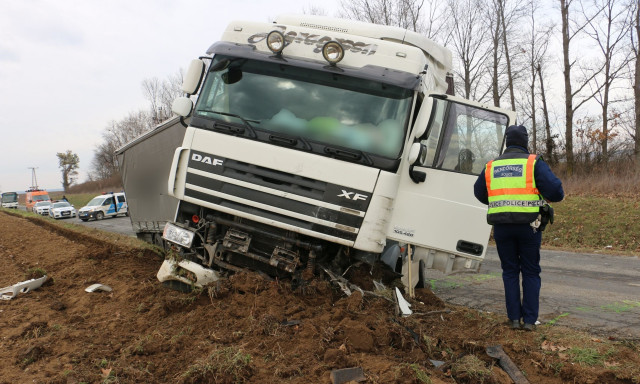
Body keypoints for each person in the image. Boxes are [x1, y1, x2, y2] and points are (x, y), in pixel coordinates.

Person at [473, 125, 564, 331]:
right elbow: (557, 192)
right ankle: (530, 321)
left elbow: (479, 192)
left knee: (510, 271)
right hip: (528, 226)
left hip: (502, 227)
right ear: (525, 142)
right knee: (531, 272)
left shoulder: (491, 166)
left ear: (507, 142)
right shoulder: (533, 163)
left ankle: (514, 319)